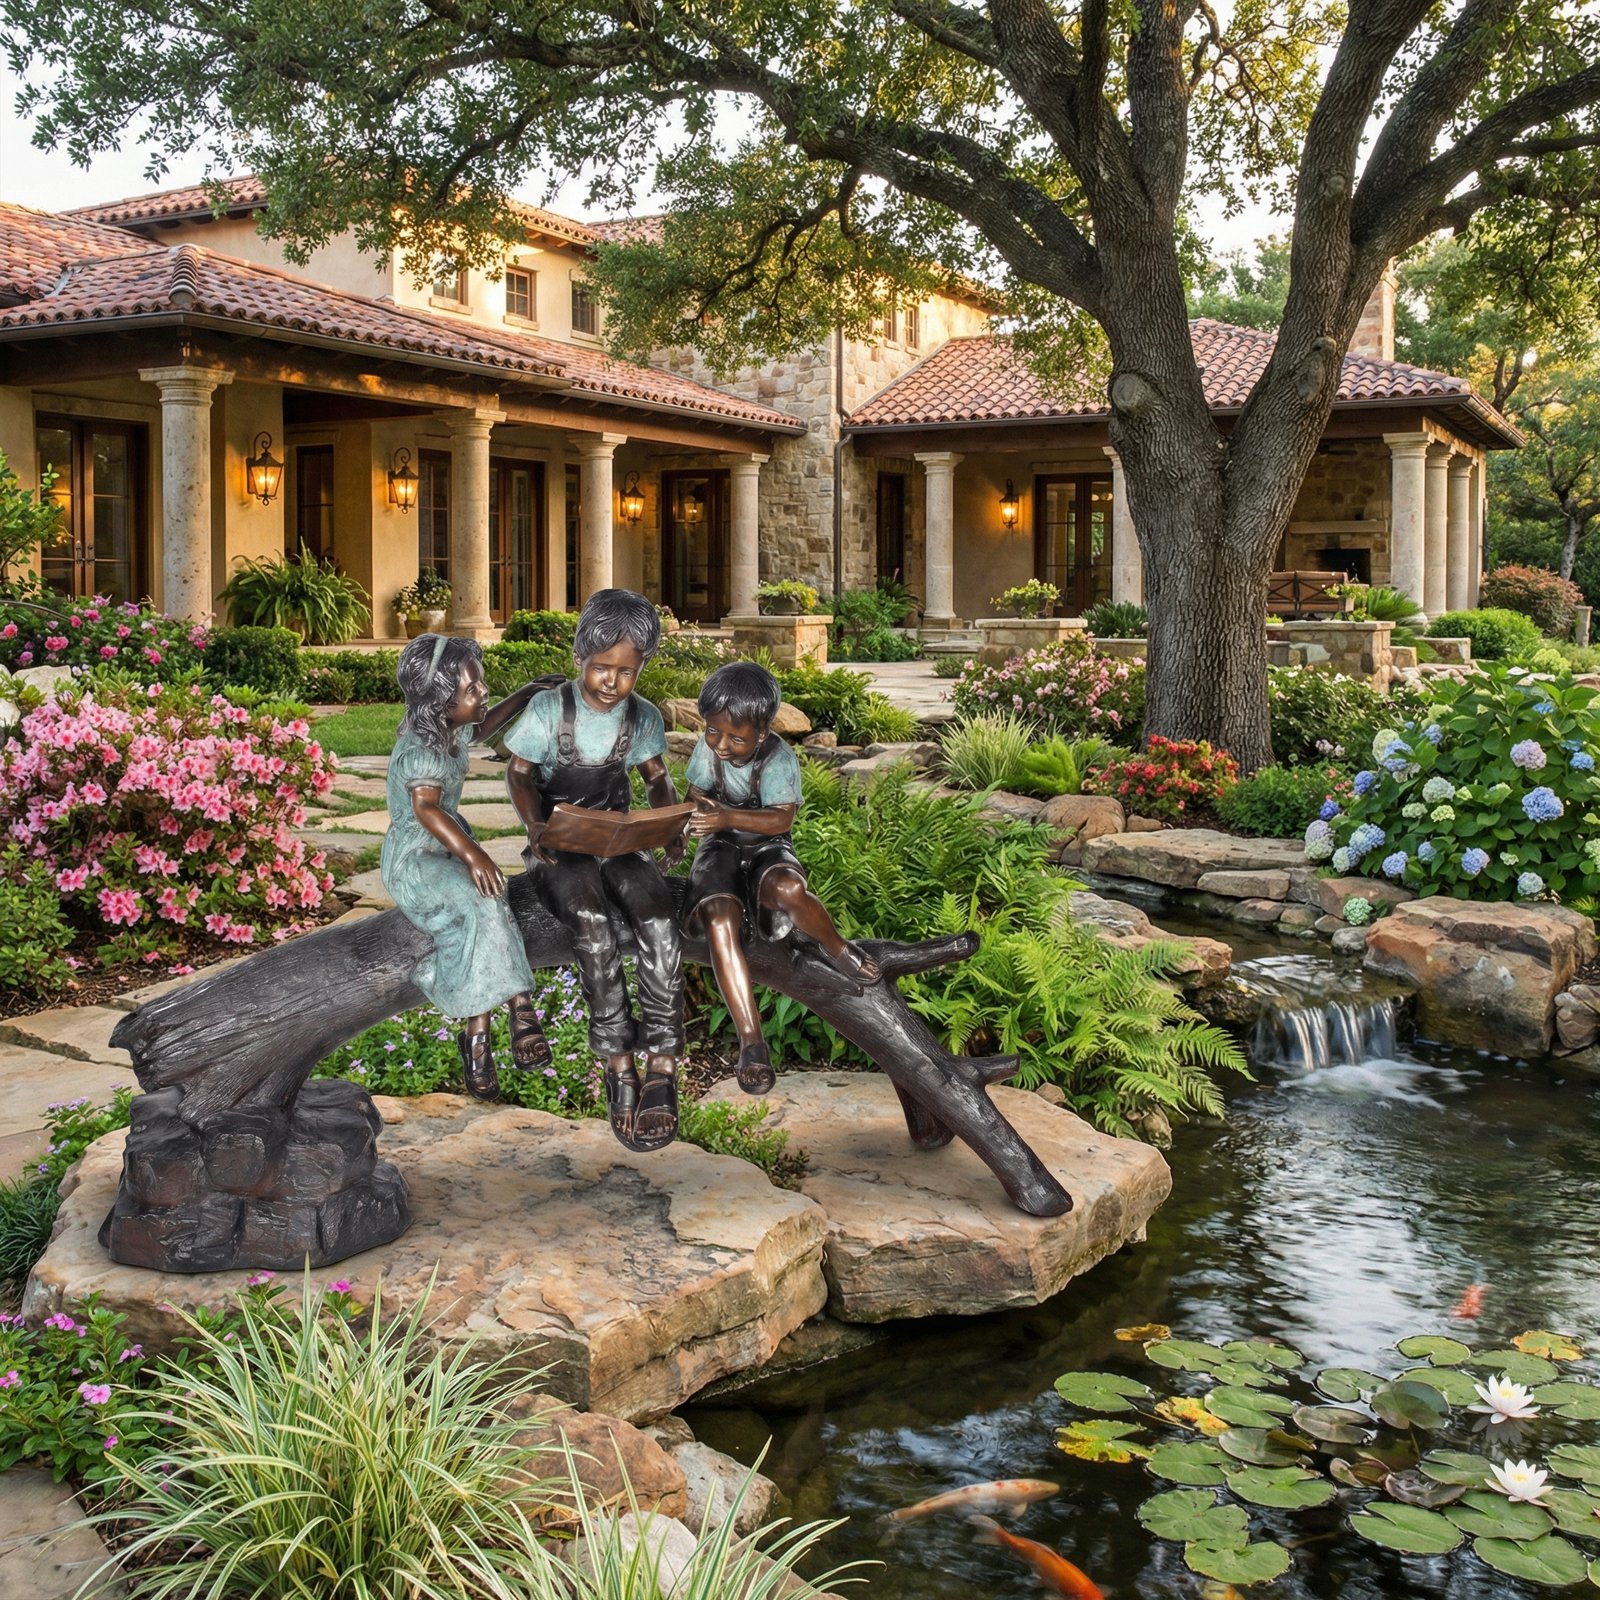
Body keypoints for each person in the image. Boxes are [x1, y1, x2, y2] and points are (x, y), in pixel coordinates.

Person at [503, 589, 686, 1151]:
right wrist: (535, 826)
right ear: (581, 655)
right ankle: (617, 1058)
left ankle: (662, 1061)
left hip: (620, 838)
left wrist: (667, 819)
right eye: (601, 667)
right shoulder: (548, 710)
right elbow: (518, 774)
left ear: (641, 669)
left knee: (657, 917)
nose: (611, 681)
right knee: (589, 919)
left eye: (625, 672)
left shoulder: (644, 717)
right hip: (562, 845)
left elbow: (655, 777)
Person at [683, 660, 880, 1095]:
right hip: (719, 847)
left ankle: (836, 946)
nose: (720, 744)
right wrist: (689, 817)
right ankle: (751, 1038)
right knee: (718, 920)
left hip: (766, 845)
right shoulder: (708, 747)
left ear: (764, 732)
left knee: (789, 889)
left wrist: (725, 816)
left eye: (735, 737)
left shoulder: (778, 758)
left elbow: (779, 818)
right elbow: (696, 791)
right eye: (712, 731)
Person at [381, 634, 550, 1102]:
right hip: (416, 860)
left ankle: (479, 1041)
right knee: (485, 906)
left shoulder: (447, 728)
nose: (483, 694)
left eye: (481, 685)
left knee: (491, 905)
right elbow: (427, 810)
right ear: (439, 701)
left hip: (447, 848)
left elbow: (478, 727)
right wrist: (475, 855)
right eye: (472, 690)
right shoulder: (421, 749)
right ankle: (521, 1010)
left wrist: (527, 692)